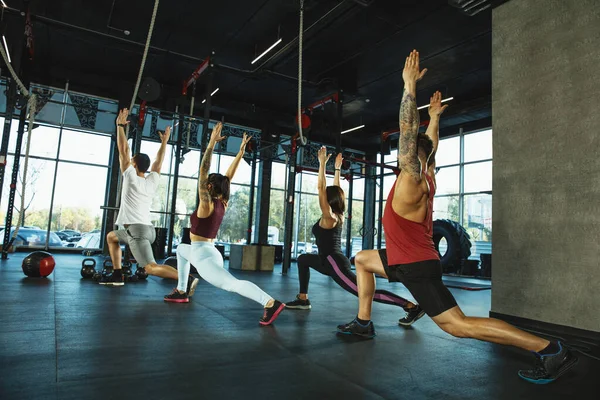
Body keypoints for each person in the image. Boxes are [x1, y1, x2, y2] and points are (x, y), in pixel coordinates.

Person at [337, 50, 577, 384]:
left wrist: (409, 87)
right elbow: (427, 146)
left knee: (458, 326)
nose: (400, 152)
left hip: (417, 265)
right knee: (362, 259)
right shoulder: (426, 174)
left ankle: (552, 349)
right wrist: (434, 118)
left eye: (405, 151)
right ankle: (364, 322)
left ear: (409, 157)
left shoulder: (410, 180)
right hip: (406, 257)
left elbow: (408, 131)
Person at [286, 147, 425, 326]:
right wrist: (336, 169)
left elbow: (321, 189)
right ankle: (303, 299)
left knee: (364, 292)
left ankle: (411, 306)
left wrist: (321, 165)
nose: (322, 197)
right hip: (325, 260)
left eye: (325, 197)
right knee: (303, 259)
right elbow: (334, 190)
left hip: (334, 264)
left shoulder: (330, 217)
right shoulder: (337, 213)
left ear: (328, 201)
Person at [164, 122, 285, 326]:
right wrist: (240, 153)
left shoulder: (207, 204)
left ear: (209, 186)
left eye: (207, 183)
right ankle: (182, 290)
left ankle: (270, 303)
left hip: (203, 257)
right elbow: (228, 177)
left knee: (231, 284)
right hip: (206, 251)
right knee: (181, 250)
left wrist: (211, 143)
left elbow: (203, 171)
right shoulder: (223, 202)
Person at [102, 108, 199, 297]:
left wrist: (120, 126)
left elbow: (123, 150)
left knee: (150, 268)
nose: (128, 162)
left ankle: (186, 279)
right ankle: (117, 274)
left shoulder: (130, 177)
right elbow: (159, 161)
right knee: (111, 237)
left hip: (137, 231)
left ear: (135, 165)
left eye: (131, 161)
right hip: (143, 230)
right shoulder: (151, 180)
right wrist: (164, 142)